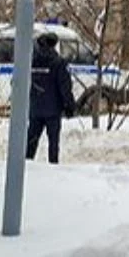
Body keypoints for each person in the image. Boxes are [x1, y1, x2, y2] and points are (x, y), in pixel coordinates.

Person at [27, 32, 76, 164]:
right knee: (53, 143)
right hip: (53, 111)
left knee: (31, 141)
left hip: (35, 109)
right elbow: (65, 87)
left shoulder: (31, 62)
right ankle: (53, 167)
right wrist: (70, 106)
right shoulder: (58, 63)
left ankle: (26, 164)